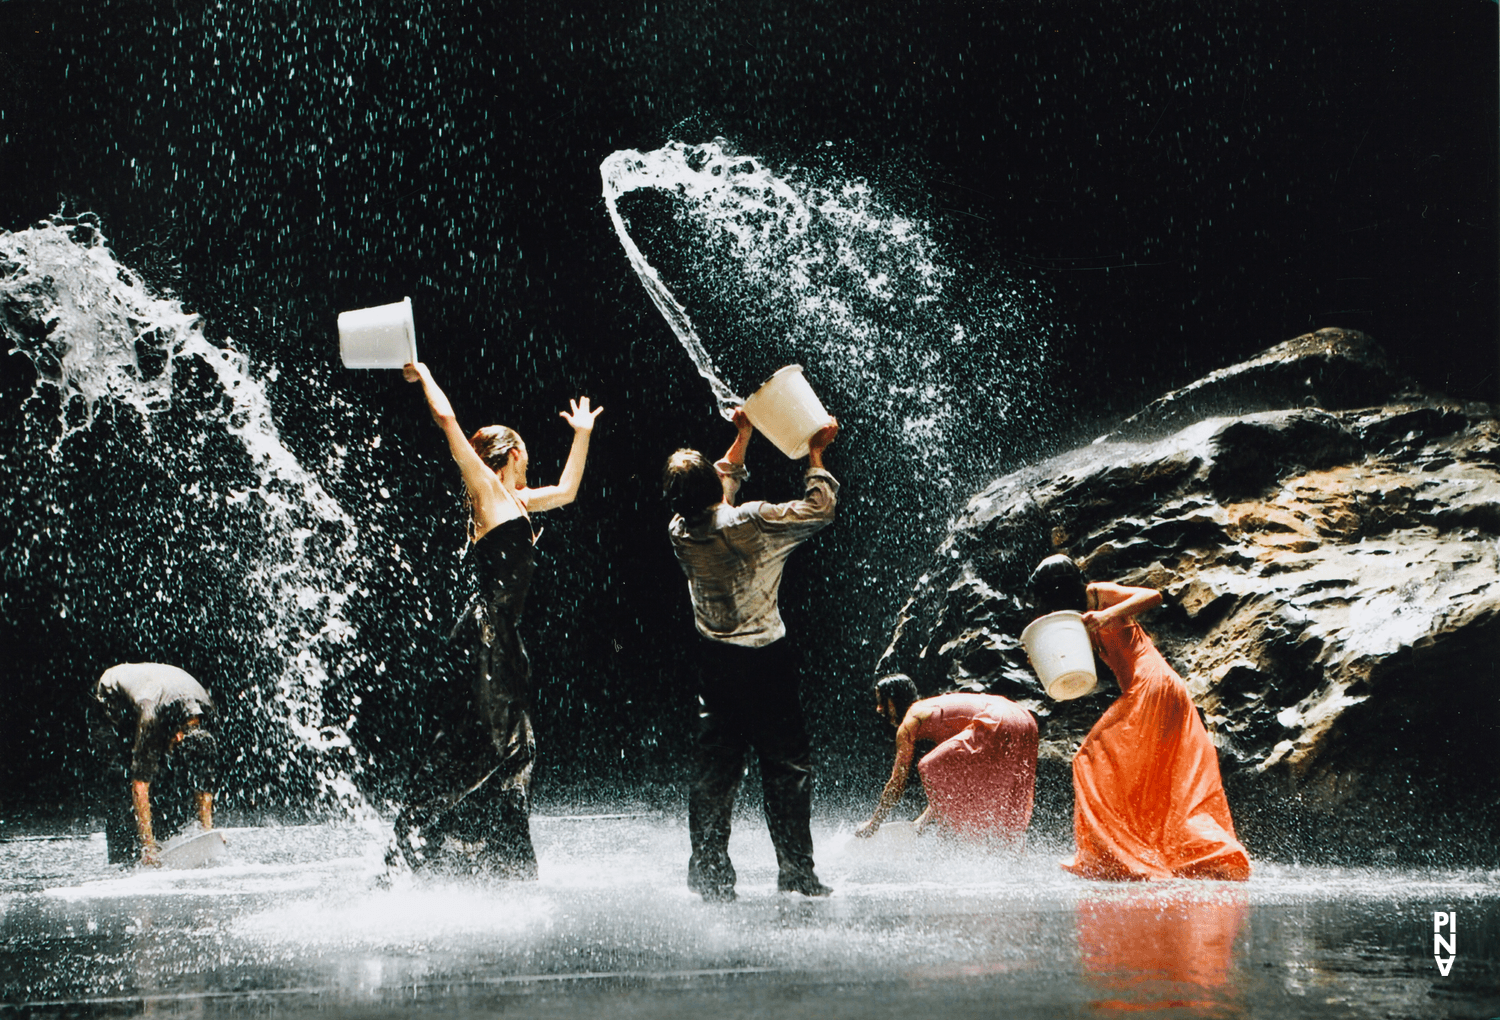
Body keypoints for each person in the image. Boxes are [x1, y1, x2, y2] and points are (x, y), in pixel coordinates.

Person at [390, 361, 602, 879]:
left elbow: (570, 490)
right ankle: (466, 854)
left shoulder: (520, 500)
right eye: (526, 451)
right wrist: (425, 376)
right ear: (512, 455)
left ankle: (477, 855)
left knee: (495, 743)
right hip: (485, 636)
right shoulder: (486, 490)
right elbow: (448, 421)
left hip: (501, 638)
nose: (530, 458)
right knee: (503, 745)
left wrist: (583, 435)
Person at [663, 408, 839, 901]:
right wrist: (816, 453)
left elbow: (716, 485)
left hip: (716, 666)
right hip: (766, 664)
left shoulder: (679, 531)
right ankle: (797, 873)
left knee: (714, 774)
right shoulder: (754, 521)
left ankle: (712, 876)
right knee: (785, 768)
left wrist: (741, 435)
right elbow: (819, 508)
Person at [1029, 554, 1251, 881]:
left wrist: (1109, 615)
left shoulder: (1096, 595)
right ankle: (1147, 852)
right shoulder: (1073, 616)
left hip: (1153, 685)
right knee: (1156, 779)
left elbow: (1152, 595)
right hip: (1156, 688)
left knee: (1088, 759)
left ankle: (1108, 856)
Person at [855, 674, 1037, 843]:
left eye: (881, 702)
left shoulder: (912, 719)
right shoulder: (938, 712)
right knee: (1005, 788)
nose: (879, 709)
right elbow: (947, 785)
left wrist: (874, 824)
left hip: (997, 719)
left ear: (892, 701)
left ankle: (962, 840)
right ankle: (1009, 849)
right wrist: (922, 822)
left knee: (928, 765)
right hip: (1024, 719)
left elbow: (897, 783)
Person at [89, 662, 218, 867]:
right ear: (173, 731)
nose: (178, 739)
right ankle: (122, 857)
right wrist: (149, 849)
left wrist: (208, 834)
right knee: (120, 775)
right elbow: (140, 785)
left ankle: (160, 835)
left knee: (169, 769)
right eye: (177, 732)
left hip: (157, 694)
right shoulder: (151, 717)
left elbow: (204, 778)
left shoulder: (206, 712)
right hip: (112, 701)